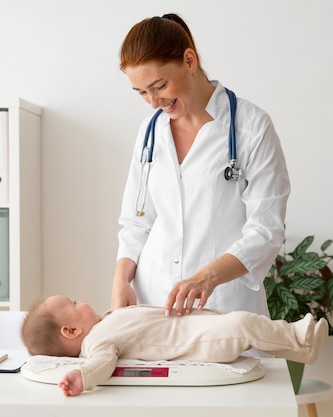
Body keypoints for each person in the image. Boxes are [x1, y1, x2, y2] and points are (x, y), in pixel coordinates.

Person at [112, 13, 291, 318]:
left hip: (224, 305)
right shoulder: (149, 132)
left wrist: (206, 277)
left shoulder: (251, 127)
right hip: (154, 302)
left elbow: (266, 230)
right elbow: (137, 221)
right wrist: (120, 279)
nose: (153, 102)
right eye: (141, 92)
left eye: (159, 85)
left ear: (190, 61)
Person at [21, 295, 328, 397]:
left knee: (245, 328)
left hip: (197, 327)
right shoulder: (97, 341)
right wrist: (82, 376)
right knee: (244, 324)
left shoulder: (102, 326)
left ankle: (301, 350)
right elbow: (101, 365)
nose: (83, 300)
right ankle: (299, 335)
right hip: (198, 343)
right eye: (74, 302)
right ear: (71, 330)